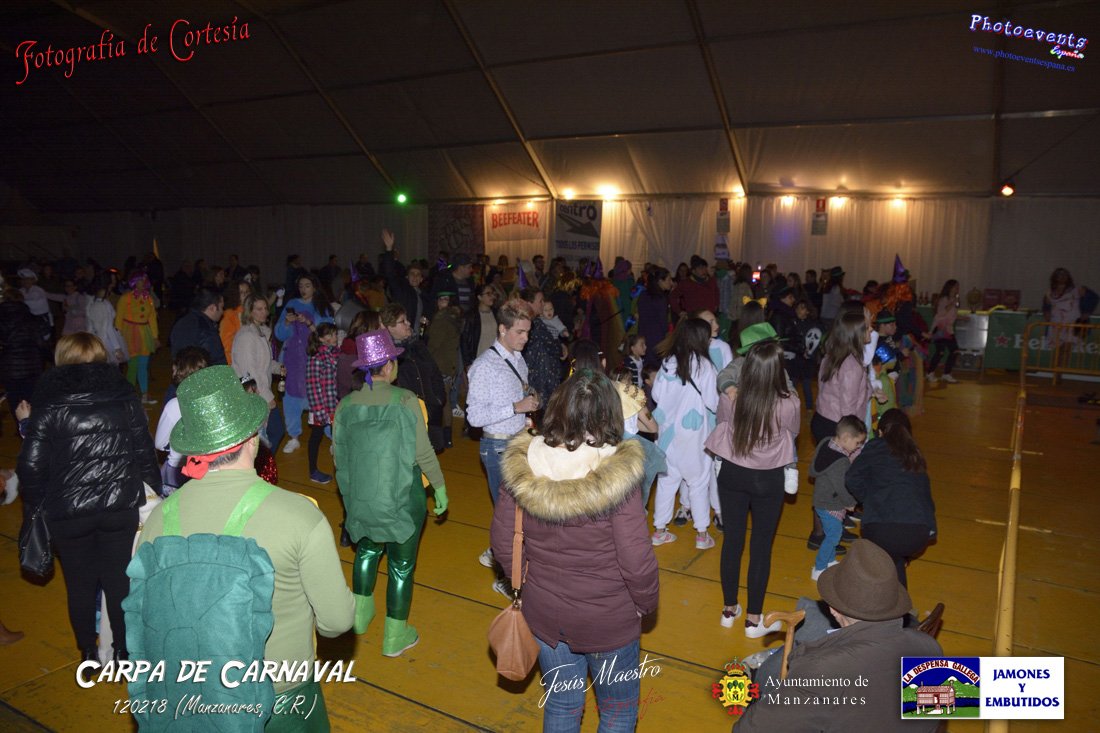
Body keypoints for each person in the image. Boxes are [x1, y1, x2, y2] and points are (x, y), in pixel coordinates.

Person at [138, 366, 354, 726]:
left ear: (193, 450)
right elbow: (336, 621)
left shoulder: (159, 520)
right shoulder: (300, 516)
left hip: (192, 697)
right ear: (253, 439)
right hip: (282, 696)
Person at [490, 370, 659, 733]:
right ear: (609, 414)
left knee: (562, 706)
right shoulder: (618, 475)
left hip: (546, 616)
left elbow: (503, 544)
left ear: (558, 408)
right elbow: (636, 559)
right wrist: (645, 604)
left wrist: (529, 585)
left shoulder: (524, 464)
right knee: (617, 712)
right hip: (609, 620)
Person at [17, 333, 161, 662]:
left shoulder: (49, 400)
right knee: (119, 582)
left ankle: (87, 653)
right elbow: (144, 452)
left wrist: (39, 504)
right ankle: (122, 652)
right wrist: (152, 492)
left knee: (79, 585)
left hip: (69, 512)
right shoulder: (123, 394)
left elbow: (31, 465)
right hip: (118, 507)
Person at [736, 540, 942, 732]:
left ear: (833, 609)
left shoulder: (821, 672)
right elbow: (934, 722)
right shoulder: (931, 648)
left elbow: (747, 729)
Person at [333, 329, 447, 657]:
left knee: (367, 551)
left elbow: (339, 457)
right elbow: (423, 453)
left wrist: (352, 496)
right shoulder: (406, 400)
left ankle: (360, 615)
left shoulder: (345, 405)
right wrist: (439, 487)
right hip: (402, 499)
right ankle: (395, 636)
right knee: (401, 566)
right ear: (388, 367)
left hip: (362, 498)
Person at [705, 337, 800, 635]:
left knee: (732, 541)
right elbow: (793, 432)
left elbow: (722, 423)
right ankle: (753, 619)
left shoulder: (732, 398)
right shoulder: (788, 403)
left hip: (732, 474)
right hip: (768, 478)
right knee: (761, 547)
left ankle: (728, 610)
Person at [465, 302, 539, 596]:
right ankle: (505, 578)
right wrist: (516, 407)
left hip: (517, 442)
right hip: (497, 447)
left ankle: (496, 553)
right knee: (511, 518)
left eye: (528, 332)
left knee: (517, 514)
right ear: (503, 329)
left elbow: (518, 399)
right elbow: (474, 417)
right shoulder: (485, 366)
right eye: (520, 332)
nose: (525, 338)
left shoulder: (518, 359)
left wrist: (526, 412)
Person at [845, 409, 937, 588]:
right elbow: (925, 495)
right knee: (894, 560)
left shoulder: (876, 445)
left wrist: (868, 500)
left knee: (883, 556)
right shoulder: (915, 454)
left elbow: (852, 477)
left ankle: (875, 601)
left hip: (881, 529)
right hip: (918, 534)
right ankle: (901, 603)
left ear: (880, 432)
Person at [651, 318, 719, 549]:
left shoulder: (667, 361)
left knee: (667, 481)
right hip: (693, 433)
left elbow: (656, 395)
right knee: (698, 481)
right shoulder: (704, 365)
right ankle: (702, 534)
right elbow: (713, 401)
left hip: (666, 433)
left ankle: (659, 530)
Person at [274, 274, 334, 454]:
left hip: (316, 361)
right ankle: (293, 436)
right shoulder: (292, 303)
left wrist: (308, 323)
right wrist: (286, 322)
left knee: (322, 398)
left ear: (314, 286)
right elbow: (279, 334)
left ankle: (332, 436)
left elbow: (327, 335)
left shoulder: (322, 306)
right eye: (301, 286)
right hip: (293, 360)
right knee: (291, 398)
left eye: (307, 285)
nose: (303, 289)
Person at [382, 304, 447, 453]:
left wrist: (438, 398)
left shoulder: (417, 346)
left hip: (429, 412)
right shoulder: (386, 355)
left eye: (407, 320)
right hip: (404, 419)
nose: (408, 323)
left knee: (429, 457)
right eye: (402, 321)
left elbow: (435, 372)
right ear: (389, 327)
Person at [810, 415, 866, 580]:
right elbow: (841, 486)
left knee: (833, 532)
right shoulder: (840, 461)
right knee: (833, 535)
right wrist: (850, 503)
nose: (858, 447)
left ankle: (830, 560)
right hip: (829, 503)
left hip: (822, 500)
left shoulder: (827, 443)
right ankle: (819, 567)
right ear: (846, 437)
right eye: (857, 443)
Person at [232, 293, 286, 451]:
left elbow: (264, 363)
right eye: (259, 309)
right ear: (250, 311)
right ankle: (262, 464)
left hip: (260, 391)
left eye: (265, 308)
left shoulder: (261, 332)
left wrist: (278, 367)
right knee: (267, 435)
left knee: (268, 435)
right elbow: (249, 371)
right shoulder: (247, 336)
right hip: (253, 394)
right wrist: (266, 396)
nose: (264, 312)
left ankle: (263, 463)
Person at [154, 347, 209, 495]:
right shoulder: (211, 402)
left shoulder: (174, 405)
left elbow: (159, 443)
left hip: (178, 471)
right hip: (206, 468)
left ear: (179, 372)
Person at [0, 288, 50, 421]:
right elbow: (42, 340)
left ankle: (20, 425)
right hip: (32, 365)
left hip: (9, 367)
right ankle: (31, 428)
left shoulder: (2, 319)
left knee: (14, 400)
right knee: (32, 401)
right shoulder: (31, 318)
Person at [116, 272, 160, 403]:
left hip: (145, 334)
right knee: (133, 366)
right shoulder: (125, 298)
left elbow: (152, 319)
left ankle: (144, 394)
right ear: (134, 282)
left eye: (144, 281)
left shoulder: (149, 299)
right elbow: (118, 319)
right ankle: (129, 395)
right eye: (140, 280)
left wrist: (155, 337)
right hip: (130, 334)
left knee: (143, 365)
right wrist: (118, 339)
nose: (143, 283)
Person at [305, 323, 341, 484]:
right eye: (330, 335)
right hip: (320, 406)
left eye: (335, 334)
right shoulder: (317, 358)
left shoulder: (335, 354)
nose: (334, 337)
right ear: (320, 339)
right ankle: (313, 471)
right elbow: (313, 386)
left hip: (334, 405)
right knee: (316, 437)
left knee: (338, 437)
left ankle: (340, 469)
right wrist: (320, 411)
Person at [169, 285, 226, 365]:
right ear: (212, 308)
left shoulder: (182, 322)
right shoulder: (207, 330)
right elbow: (217, 361)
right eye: (221, 307)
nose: (222, 312)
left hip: (182, 370)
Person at [85, 272, 127, 365]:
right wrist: (117, 348)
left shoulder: (91, 302)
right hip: (107, 341)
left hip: (95, 340)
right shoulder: (104, 304)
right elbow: (108, 328)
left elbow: (89, 326)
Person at [636, 267, 673, 369]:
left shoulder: (643, 294)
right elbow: (663, 322)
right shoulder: (660, 298)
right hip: (657, 337)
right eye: (669, 279)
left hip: (643, 335)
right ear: (660, 281)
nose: (671, 283)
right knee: (655, 366)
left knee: (645, 366)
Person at [669, 255, 719, 320]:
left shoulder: (711, 281)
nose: (704, 270)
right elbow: (672, 296)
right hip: (694, 319)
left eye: (705, 267)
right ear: (693, 271)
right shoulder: (686, 283)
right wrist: (679, 312)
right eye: (700, 268)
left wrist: (716, 305)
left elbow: (716, 292)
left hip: (709, 317)